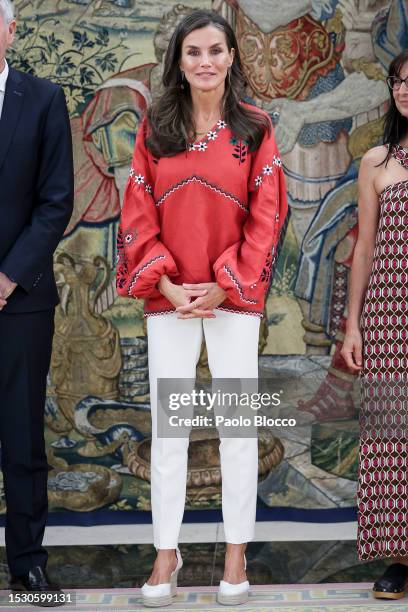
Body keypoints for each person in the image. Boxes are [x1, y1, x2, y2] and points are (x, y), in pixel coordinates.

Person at [116, 9, 287, 607]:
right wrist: (164, 284)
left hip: (230, 299)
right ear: (178, 62)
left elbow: (267, 218)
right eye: (193, 52)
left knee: (238, 427)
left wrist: (226, 284)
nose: (205, 61)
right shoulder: (154, 126)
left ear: (232, 57)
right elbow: (136, 212)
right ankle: (168, 552)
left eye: (216, 50)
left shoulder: (255, 128)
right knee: (170, 429)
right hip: (170, 299)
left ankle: (236, 552)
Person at [0, 0, 74, 603]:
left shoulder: (44, 99)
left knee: (22, 438)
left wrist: (6, 278)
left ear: (10, 30)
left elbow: (56, 202)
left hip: (19, 299)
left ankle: (27, 564)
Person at [341, 49, 408, 600]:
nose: (405, 89)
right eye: (399, 81)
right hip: (389, 314)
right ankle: (399, 556)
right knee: (391, 433)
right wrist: (353, 326)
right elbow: (363, 248)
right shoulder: (377, 162)